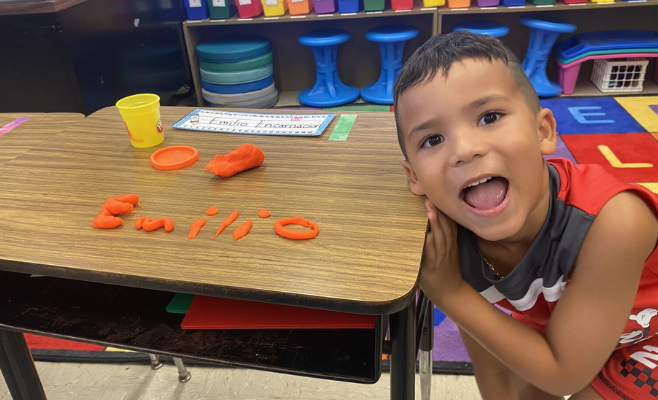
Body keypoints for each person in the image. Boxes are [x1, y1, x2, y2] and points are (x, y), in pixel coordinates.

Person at [393, 31, 658, 399]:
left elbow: (563, 375)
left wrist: (449, 292)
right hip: (568, 331)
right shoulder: (450, 237)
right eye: (433, 139)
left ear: (543, 131)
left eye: (489, 116)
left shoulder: (615, 221)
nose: (465, 150)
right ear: (414, 177)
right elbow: (494, 370)